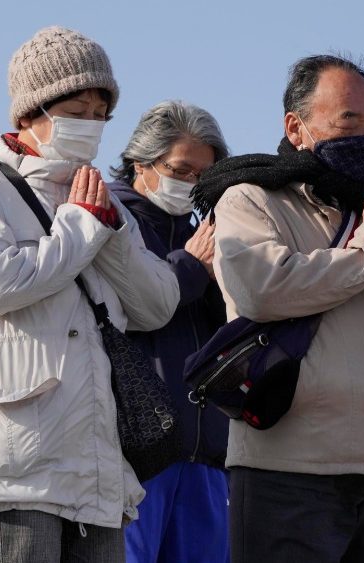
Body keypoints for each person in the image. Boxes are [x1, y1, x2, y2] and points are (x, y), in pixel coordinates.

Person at [192, 54, 364, 563]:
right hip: (291, 467)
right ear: (295, 128)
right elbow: (263, 290)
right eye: (348, 123)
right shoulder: (250, 199)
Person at [0, 27, 179, 563]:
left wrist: (110, 233)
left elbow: (157, 305)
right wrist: (82, 226)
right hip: (15, 459)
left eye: (100, 113)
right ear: (28, 113)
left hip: (97, 464)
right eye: (76, 111)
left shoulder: (104, 200)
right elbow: (0, 285)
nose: (91, 125)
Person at [107, 101, 230, 563]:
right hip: (137, 453)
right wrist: (192, 267)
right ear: (141, 163)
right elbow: (139, 306)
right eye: (180, 170)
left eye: (204, 175)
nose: (191, 183)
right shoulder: (110, 219)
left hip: (207, 453)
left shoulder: (209, 231)